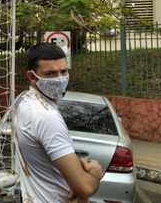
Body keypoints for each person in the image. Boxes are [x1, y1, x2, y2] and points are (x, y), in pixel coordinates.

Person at [13, 43, 102, 203]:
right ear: (32, 77)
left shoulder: (25, 101)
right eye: (51, 74)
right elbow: (85, 188)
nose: (60, 79)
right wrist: (96, 172)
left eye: (63, 71)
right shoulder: (46, 116)